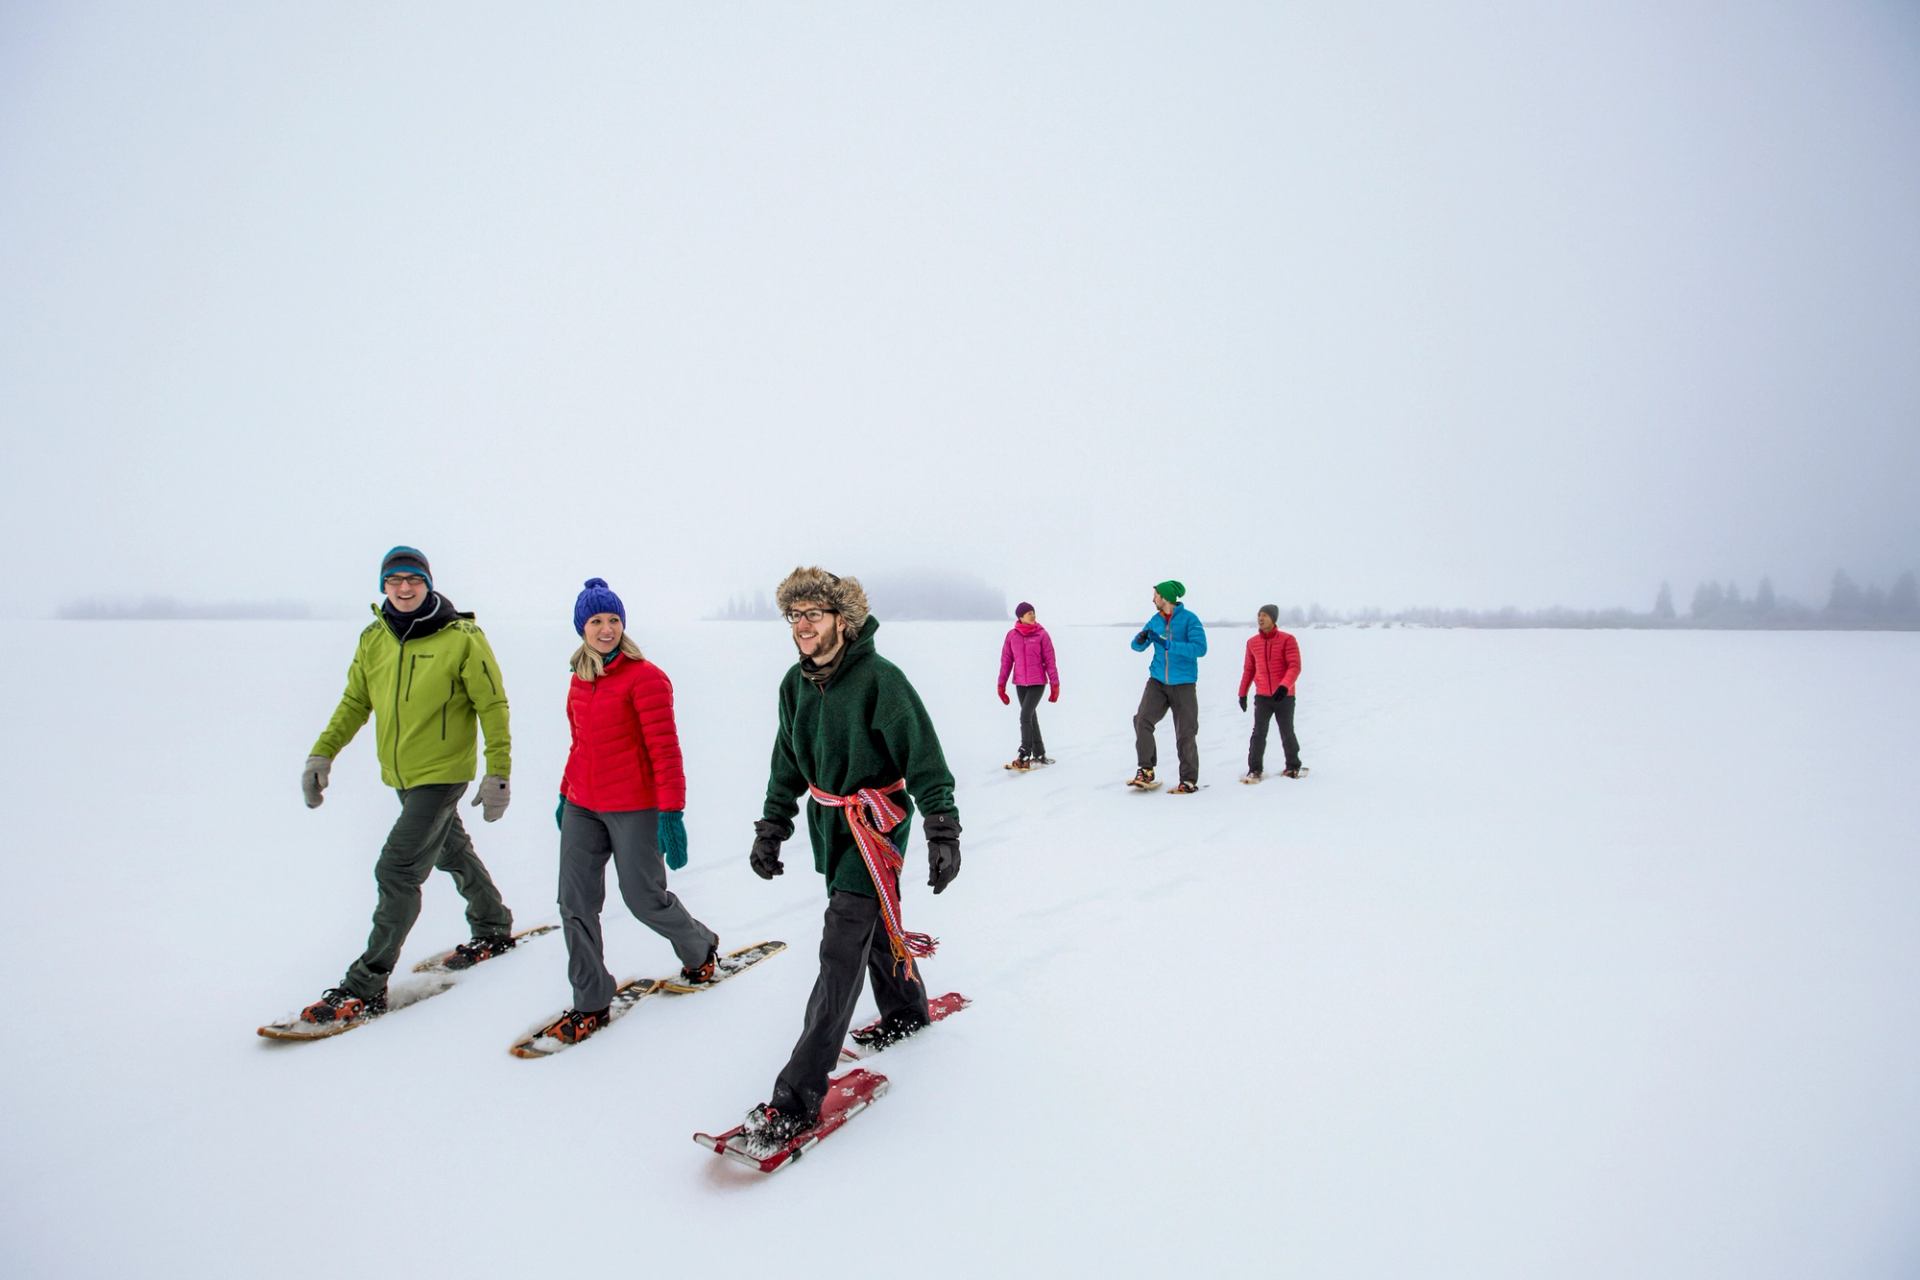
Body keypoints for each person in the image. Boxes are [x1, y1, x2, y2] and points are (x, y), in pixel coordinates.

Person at [742, 566, 962, 1148]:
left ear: (844, 619)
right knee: (861, 925)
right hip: (829, 822)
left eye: (815, 614)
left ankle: (797, 1096)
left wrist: (942, 828)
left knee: (840, 947)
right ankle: (906, 1007)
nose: (804, 626)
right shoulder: (794, 684)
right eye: (796, 615)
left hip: (876, 823)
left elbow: (924, 754)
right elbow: (785, 761)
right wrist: (772, 825)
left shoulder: (880, 680)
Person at [297, 546, 517, 1025]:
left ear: (427, 583)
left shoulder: (462, 637)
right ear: (383, 586)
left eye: (412, 578)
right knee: (450, 851)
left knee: (396, 871)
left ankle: (366, 983)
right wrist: (323, 753)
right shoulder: (373, 639)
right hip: (402, 776)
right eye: (394, 579)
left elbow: (492, 705)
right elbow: (356, 702)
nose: (403, 587)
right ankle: (493, 923)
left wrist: (498, 771)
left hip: (444, 774)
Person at [542, 578, 720, 1045]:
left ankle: (699, 946)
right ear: (581, 628)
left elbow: (665, 751)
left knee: (643, 898)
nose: (606, 629)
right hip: (583, 805)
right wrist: (565, 795)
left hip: (635, 807)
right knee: (574, 904)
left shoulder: (647, 678)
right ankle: (590, 1000)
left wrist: (671, 814)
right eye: (596, 621)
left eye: (613, 620)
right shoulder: (579, 680)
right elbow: (579, 744)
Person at [1128, 579, 1208, 793]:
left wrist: (1169, 644)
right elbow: (1136, 646)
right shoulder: (1155, 620)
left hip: (1184, 683)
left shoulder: (1190, 620)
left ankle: (1188, 780)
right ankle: (1146, 769)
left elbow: (1200, 649)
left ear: (1165, 597)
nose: (1152, 598)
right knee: (1142, 720)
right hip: (1157, 682)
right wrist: (1141, 638)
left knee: (1186, 732)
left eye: (1155, 595)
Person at [1238, 604, 1305, 782]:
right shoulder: (1252, 643)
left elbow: (1294, 666)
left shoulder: (1287, 640)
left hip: (1284, 696)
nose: (1260, 618)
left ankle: (1293, 766)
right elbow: (1249, 670)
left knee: (1286, 731)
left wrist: (1284, 686)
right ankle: (1254, 769)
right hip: (1262, 697)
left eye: (1265, 615)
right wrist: (1242, 693)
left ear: (1273, 619)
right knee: (1258, 733)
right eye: (1259, 615)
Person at [997, 601, 1060, 769]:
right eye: (1028, 613)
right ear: (1020, 617)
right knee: (1031, 717)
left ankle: (1025, 752)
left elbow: (1050, 661)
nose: (1032, 615)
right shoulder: (1012, 636)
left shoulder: (1042, 635)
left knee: (1025, 715)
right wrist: (1001, 685)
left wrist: (1055, 685)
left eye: (1033, 612)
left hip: (1037, 682)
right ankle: (1040, 753)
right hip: (1020, 683)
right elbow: (1006, 662)